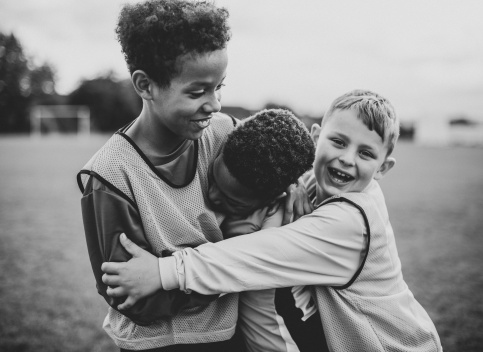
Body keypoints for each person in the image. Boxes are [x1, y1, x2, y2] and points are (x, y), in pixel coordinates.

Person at [102, 90, 443, 352]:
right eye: (338, 142)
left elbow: (254, 254)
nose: (346, 159)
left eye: (366, 153)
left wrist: (163, 272)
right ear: (315, 137)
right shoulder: (326, 183)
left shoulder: (350, 222)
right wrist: (293, 181)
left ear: (383, 169)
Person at [77, 1, 311, 351]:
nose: (215, 104)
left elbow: (275, 155)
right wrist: (230, 272)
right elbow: (132, 298)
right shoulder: (111, 175)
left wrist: (289, 185)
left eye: (219, 87)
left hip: (232, 336)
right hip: (159, 344)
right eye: (197, 91)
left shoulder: (223, 133)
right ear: (146, 85)